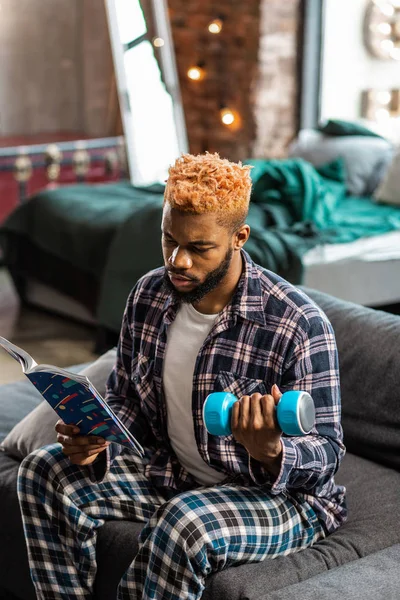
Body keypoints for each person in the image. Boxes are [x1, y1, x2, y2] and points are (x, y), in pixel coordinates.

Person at [18, 153, 347, 600]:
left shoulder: (297, 324)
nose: (178, 261)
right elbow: (128, 400)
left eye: (198, 248)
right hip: (171, 473)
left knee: (184, 522)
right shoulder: (149, 295)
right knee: (43, 471)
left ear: (239, 238)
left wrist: (272, 450)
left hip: (279, 499)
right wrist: (96, 441)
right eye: (169, 240)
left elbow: (326, 453)